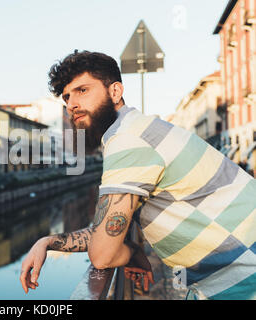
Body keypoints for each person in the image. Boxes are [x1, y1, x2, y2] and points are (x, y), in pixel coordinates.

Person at [20, 50, 255, 300]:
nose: (72, 104)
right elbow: (107, 228)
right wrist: (48, 241)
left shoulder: (128, 139)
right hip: (226, 276)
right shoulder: (134, 129)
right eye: (67, 97)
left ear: (115, 91)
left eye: (83, 90)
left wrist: (130, 252)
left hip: (243, 274)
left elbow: (103, 254)